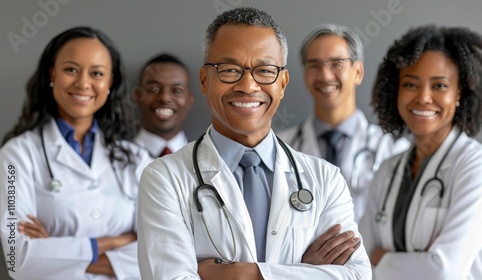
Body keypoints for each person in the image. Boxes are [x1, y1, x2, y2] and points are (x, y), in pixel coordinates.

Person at [137, 7, 371, 280]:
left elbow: (356, 276)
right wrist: (304, 272)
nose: (248, 86)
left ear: (282, 83)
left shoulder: (326, 179)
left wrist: (246, 274)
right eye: (229, 70)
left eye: (264, 70)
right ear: (204, 80)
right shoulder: (164, 178)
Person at [0, 27, 150, 279]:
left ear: (110, 82)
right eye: (71, 69)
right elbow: (19, 258)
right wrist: (119, 241)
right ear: (52, 74)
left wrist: (56, 251)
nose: (83, 83)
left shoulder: (136, 158)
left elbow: (161, 253)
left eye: (97, 73)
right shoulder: (16, 156)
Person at [359, 25, 482, 279]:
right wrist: (412, 261)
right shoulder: (387, 170)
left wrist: (383, 259)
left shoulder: (478, 165)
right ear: (396, 90)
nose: (424, 97)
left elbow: (445, 271)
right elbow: (361, 263)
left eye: (440, 86)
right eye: (411, 84)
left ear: (459, 93)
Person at [278, 23, 409, 222]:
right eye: (314, 65)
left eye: (336, 64)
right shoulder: (279, 148)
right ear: (305, 75)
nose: (325, 75)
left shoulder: (392, 149)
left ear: (358, 72)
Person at [133, 53, 194, 157]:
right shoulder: (116, 161)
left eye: (176, 90)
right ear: (138, 96)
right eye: (154, 89)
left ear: (189, 100)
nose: (165, 98)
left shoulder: (206, 160)